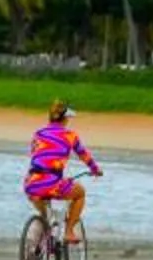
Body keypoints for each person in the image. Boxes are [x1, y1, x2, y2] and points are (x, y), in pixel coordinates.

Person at [25, 101, 102, 245]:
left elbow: (37, 156)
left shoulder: (38, 134)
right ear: (65, 119)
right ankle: (69, 232)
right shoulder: (70, 135)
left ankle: (40, 235)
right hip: (52, 184)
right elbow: (84, 155)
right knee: (80, 193)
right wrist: (95, 170)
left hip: (32, 183)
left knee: (45, 215)